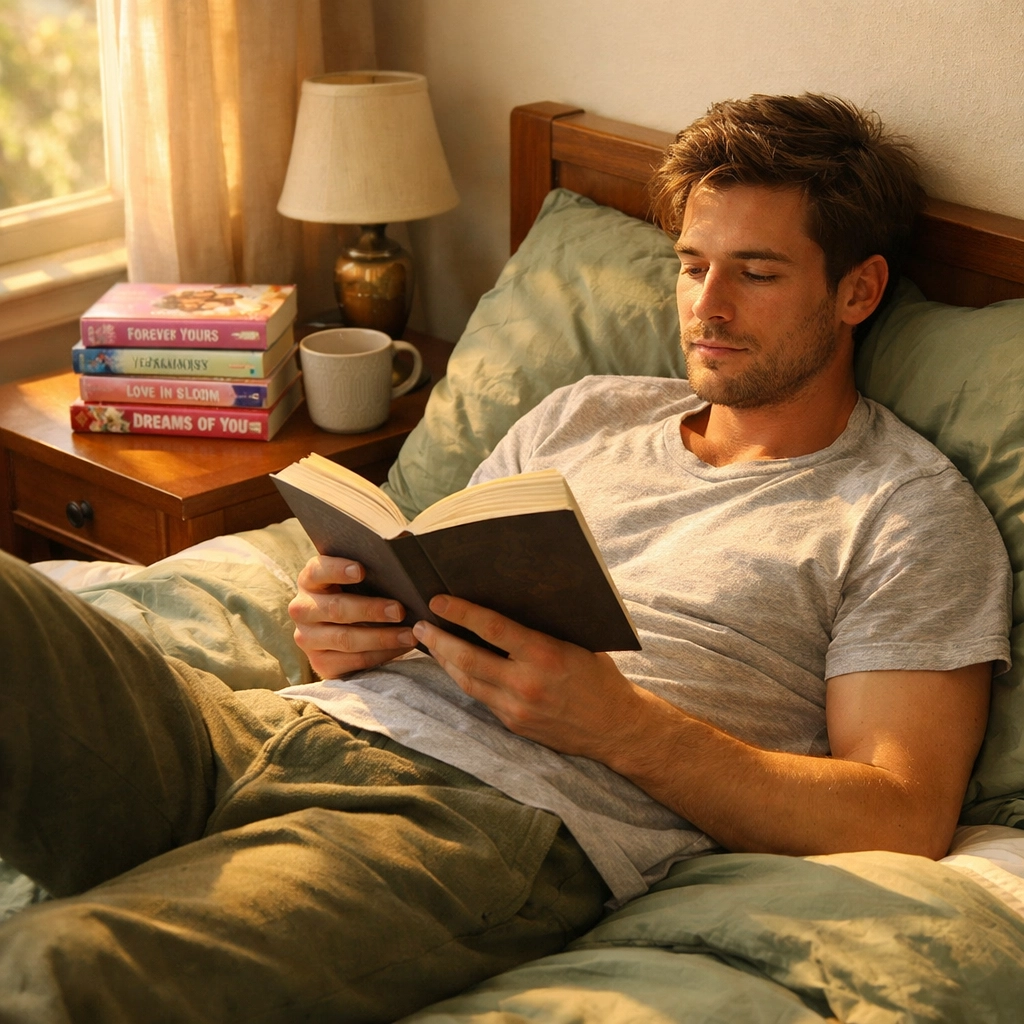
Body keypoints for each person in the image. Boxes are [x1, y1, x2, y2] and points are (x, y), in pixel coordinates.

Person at [0, 94, 1011, 1022]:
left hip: (477, 826)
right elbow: (437, 575)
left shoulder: (905, 511)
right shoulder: (586, 410)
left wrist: (625, 727)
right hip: (277, 726)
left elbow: (904, 810)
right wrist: (342, 629)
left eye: (756, 273)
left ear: (857, 290)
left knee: (54, 969)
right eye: (692, 264)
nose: (706, 308)